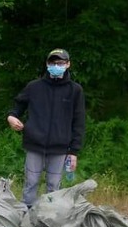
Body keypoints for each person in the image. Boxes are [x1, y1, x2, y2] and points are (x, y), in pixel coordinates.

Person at [7, 48, 85, 207]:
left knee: (54, 186)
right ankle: (26, 215)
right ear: (47, 64)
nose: (56, 65)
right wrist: (11, 117)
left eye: (60, 63)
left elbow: (79, 122)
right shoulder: (34, 87)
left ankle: (49, 218)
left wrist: (73, 151)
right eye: (53, 62)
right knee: (31, 183)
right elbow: (17, 107)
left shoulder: (75, 90)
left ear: (68, 64)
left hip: (60, 148)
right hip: (34, 144)